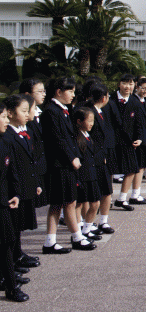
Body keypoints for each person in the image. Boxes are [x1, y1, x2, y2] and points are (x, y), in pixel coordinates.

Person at [41, 77, 96, 253]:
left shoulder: (63, 110)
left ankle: (51, 241)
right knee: (67, 202)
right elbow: (57, 139)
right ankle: (76, 238)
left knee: (60, 203)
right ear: (59, 92)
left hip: (66, 163)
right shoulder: (51, 111)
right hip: (60, 164)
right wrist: (72, 157)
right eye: (70, 91)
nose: (73, 95)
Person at [3, 95, 41, 272]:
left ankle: (17, 255)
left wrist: (36, 182)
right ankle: (12, 261)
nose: (27, 114)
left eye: (28, 111)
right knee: (12, 226)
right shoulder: (8, 136)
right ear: (10, 113)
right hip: (14, 187)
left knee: (18, 225)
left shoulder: (24, 132)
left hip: (25, 183)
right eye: (23, 111)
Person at [0, 102, 28, 302]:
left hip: (4, 202)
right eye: (2, 117)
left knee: (7, 242)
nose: (6, 120)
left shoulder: (4, 141)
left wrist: (16, 194)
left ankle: (9, 283)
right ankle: (10, 285)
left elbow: (11, 172)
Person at [108, 74, 146, 211]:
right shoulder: (110, 100)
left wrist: (140, 138)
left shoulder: (135, 102)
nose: (127, 87)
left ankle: (122, 198)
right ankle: (107, 199)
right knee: (109, 171)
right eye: (125, 83)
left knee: (131, 169)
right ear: (119, 84)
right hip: (112, 142)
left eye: (130, 84)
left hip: (128, 141)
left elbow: (139, 122)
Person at [84, 84, 116, 235]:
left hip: (102, 156)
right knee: (93, 195)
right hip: (94, 158)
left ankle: (103, 221)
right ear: (104, 98)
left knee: (107, 190)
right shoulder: (89, 112)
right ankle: (88, 225)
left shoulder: (100, 111)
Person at [72, 107, 103, 241]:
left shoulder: (88, 135)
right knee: (79, 204)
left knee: (95, 204)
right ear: (79, 121)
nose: (91, 124)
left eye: (93, 121)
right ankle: (79, 231)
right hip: (82, 175)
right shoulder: (75, 137)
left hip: (92, 174)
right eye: (89, 120)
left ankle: (87, 229)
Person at [18, 80, 47, 210]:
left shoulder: (41, 113)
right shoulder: (25, 120)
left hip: (41, 165)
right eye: (40, 91)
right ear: (27, 94)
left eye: (44, 91)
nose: (44, 94)